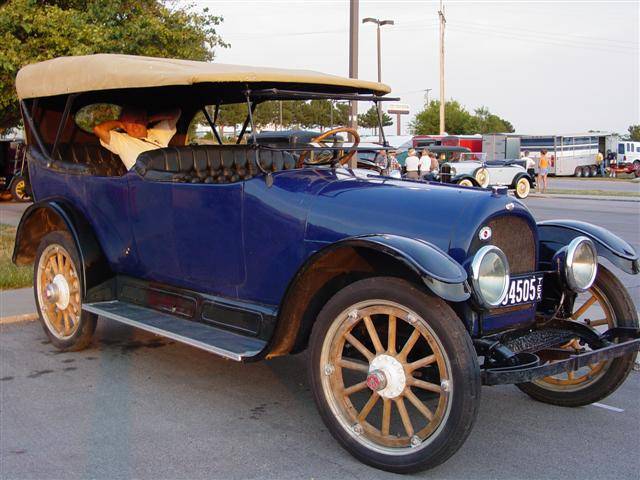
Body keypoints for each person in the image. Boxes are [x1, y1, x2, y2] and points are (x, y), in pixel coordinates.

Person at [93, 106, 181, 170]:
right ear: (124, 127)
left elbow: (176, 113)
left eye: (137, 121)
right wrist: (119, 123)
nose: (134, 127)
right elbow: (98, 129)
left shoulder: (157, 132)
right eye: (129, 124)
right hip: (145, 182)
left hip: (170, 175)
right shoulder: (121, 140)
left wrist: (150, 119)